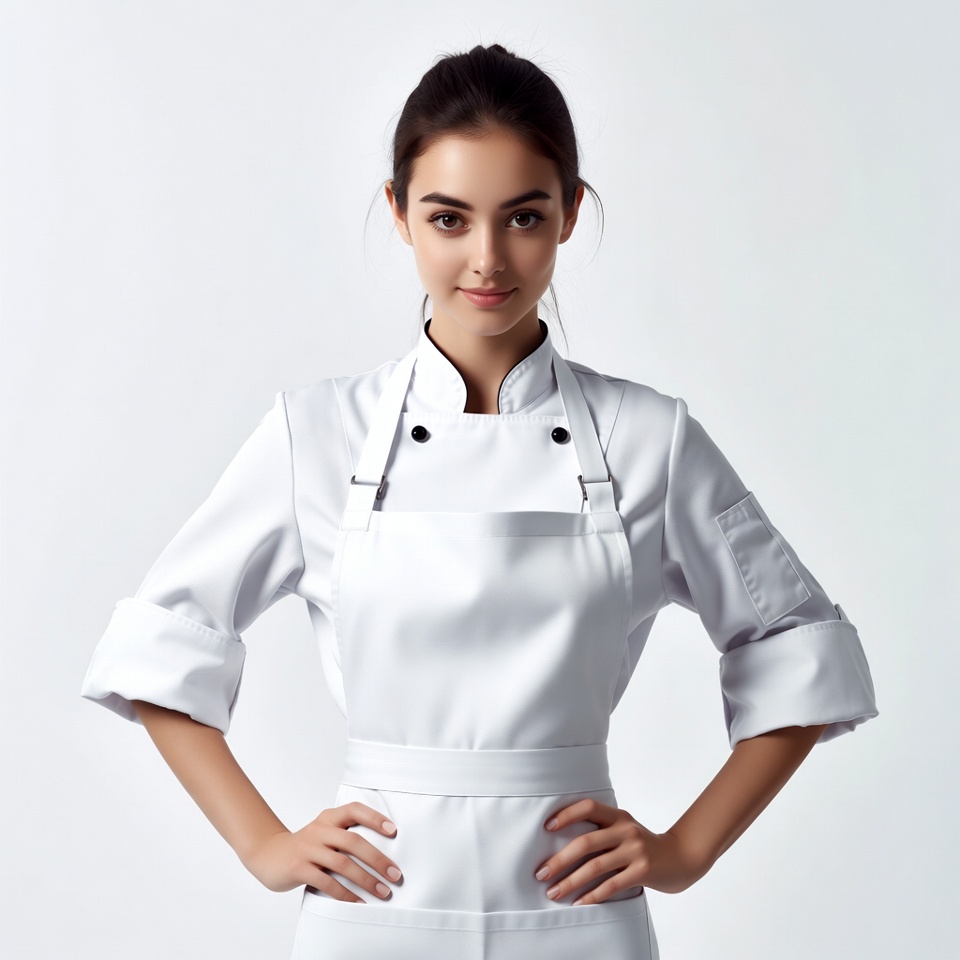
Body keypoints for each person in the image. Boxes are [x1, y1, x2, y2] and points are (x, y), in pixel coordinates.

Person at [81, 43, 878, 960]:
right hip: (372, 907)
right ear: (400, 213)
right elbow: (163, 645)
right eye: (449, 218)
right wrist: (264, 846)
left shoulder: (648, 438)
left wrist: (685, 852)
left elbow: (796, 644)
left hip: (578, 913)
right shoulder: (317, 433)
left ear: (571, 213)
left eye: (524, 217)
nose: (487, 259)